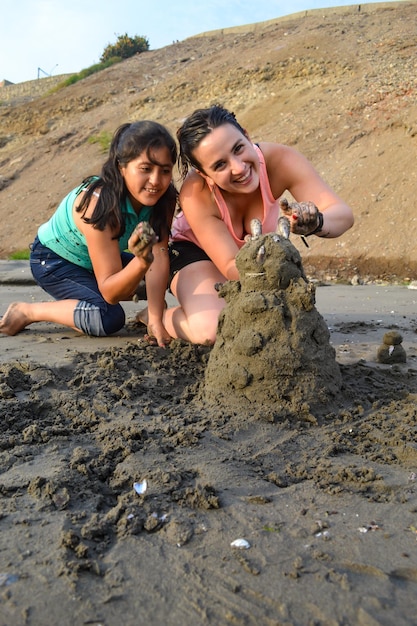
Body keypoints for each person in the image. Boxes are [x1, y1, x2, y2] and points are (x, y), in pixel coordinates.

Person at [159, 104, 354, 344]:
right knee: (211, 331)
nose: (239, 168)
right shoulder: (195, 193)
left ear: (248, 136)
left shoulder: (280, 161)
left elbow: (343, 215)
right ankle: (159, 318)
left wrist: (317, 222)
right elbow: (231, 266)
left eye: (239, 148)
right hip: (195, 254)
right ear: (205, 174)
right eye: (220, 165)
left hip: (256, 260)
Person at [0, 120, 177, 347]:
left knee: (170, 272)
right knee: (108, 317)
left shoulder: (165, 197)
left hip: (97, 260)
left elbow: (159, 257)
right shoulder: (98, 204)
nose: (156, 181)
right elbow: (111, 293)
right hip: (54, 260)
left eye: (165, 170)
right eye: (145, 169)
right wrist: (141, 262)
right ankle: (27, 311)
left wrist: (155, 319)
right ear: (121, 167)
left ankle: (146, 316)